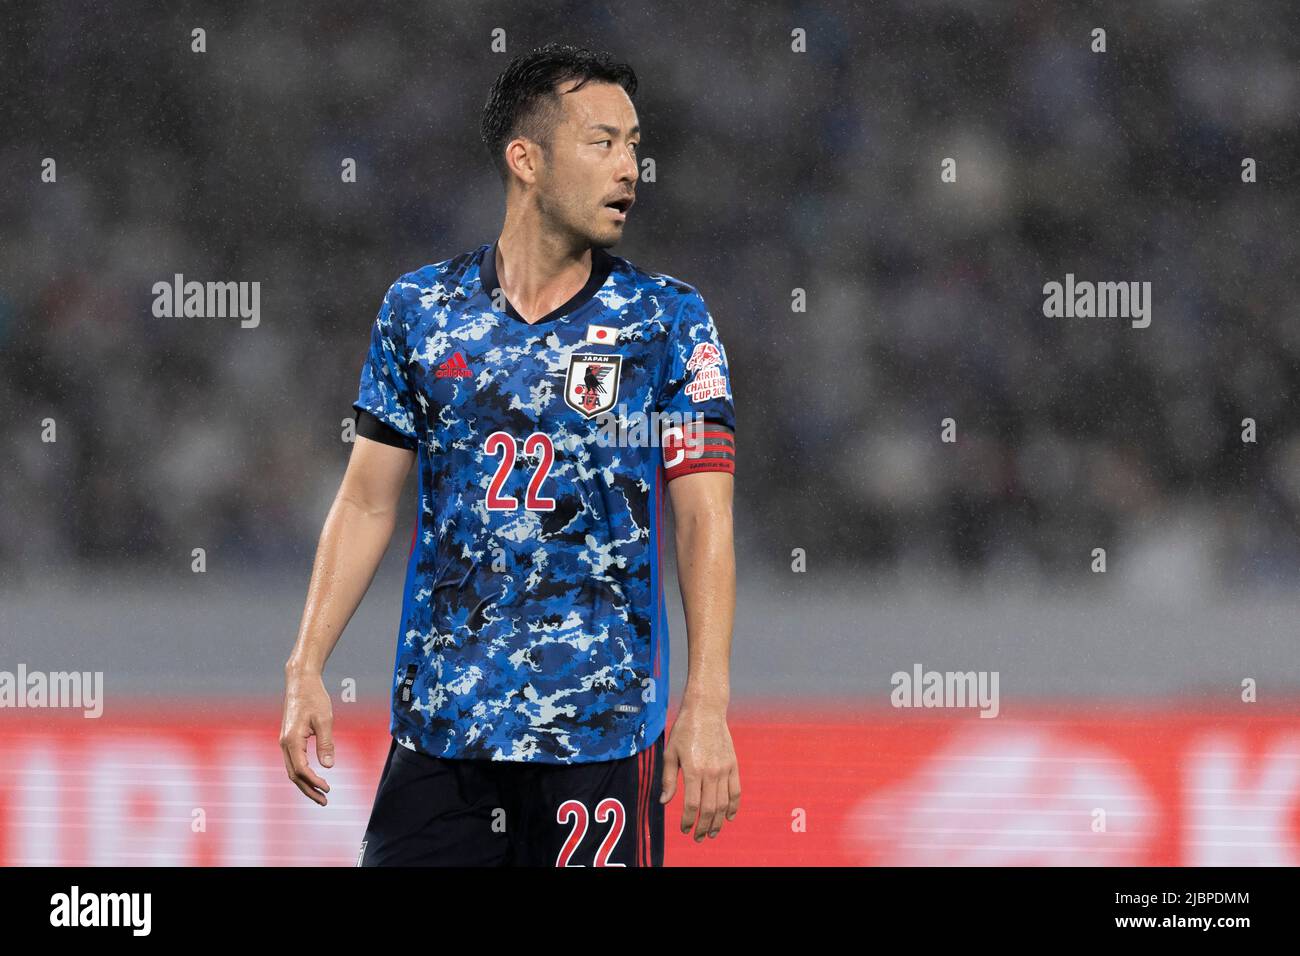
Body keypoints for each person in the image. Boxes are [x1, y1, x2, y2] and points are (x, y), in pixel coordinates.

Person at [280, 42, 739, 866]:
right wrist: (307, 661)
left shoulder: (669, 321)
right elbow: (366, 501)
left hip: (599, 741)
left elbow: (704, 518)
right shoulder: (419, 311)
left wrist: (706, 702)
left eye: (635, 144)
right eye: (603, 143)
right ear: (525, 159)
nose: (631, 166)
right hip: (443, 735)